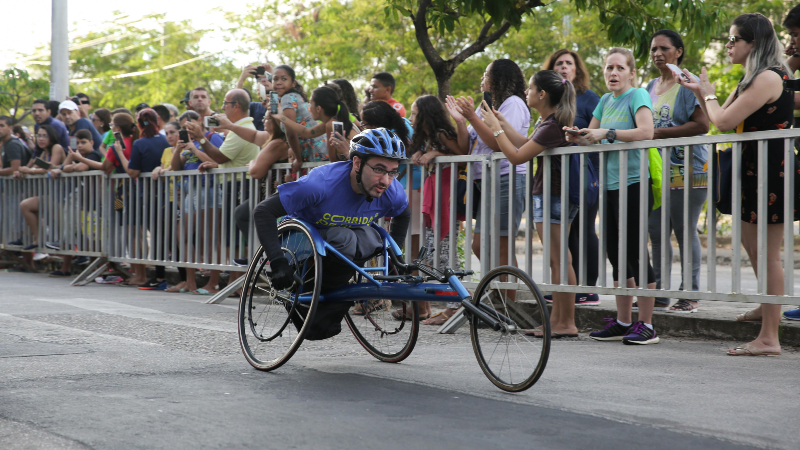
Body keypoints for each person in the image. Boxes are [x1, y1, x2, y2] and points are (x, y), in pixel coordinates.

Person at [680, 14, 796, 355]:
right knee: (750, 242)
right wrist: (702, 94)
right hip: (753, 168)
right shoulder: (751, 79)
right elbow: (722, 123)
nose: (729, 45)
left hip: (772, 170)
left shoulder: (770, 77)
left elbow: (725, 118)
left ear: (754, 43)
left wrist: (710, 94)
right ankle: (766, 305)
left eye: (734, 40)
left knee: (767, 252)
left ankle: (770, 337)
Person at [252, 128, 411, 341]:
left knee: (370, 237)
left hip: (342, 250)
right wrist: (277, 262)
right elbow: (263, 211)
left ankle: (335, 297)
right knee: (343, 238)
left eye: (393, 172)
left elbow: (404, 214)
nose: (386, 180)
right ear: (357, 163)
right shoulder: (321, 184)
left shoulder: (392, 191)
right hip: (302, 247)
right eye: (379, 169)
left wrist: (394, 255)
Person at [565, 47, 659, 345]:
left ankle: (647, 324)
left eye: (619, 68)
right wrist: (576, 136)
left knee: (634, 251)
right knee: (616, 253)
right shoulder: (605, 100)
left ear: (631, 72)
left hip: (634, 182)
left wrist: (607, 133)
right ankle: (622, 321)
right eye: (609, 68)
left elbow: (646, 132)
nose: (613, 73)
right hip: (608, 184)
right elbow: (590, 138)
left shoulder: (638, 96)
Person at [482, 70, 580, 338]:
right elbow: (526, 144)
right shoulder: (548, 123)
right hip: (552, 194)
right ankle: (558, 320)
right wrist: (502, 123)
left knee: (559, 259)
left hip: (553, 195)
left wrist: (496, 128)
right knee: (558, 259)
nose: (526, 92)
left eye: (530, 88)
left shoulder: (551, 126)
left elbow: (515, 157)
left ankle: (566, 322)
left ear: (542, 94)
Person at [644, 29, 711, 313]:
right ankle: (660, 292)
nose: (658, 54)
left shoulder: (688, 82)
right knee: (657, 231)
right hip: (660, 171)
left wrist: (657, 134)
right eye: (653, 49)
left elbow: (703, 124)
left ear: (678, 52)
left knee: (685, 230)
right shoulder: (649, 86)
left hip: (690, 166)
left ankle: (690, 294)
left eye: (664, 48)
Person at [450, 59, 530, 279]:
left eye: (486, 74)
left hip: (506, 178)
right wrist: (460, 121)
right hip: (485, 180)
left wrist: (473, 117)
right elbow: (467, 145)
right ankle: (497, 296)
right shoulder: (485, 105)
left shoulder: (513, 103)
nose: (482, 79)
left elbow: (499, 143)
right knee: (480, 245)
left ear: (499, 78)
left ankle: (508, 305)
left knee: (502, 247)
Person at [403, 95, 468, 325]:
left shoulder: (441, 134)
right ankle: (453, 304)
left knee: (445, 251)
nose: (410, 118)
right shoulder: (429, 138)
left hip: (446, 196)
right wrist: (423, 154)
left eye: (413, 113)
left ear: (425, 115)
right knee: (434, 252)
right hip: (436, 195)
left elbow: (462, 156)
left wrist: (437, 154)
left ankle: (457, 306)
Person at [544, 49, 602, 306]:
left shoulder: (590, 99)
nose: (564, 67)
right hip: (556, 178)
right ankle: (565, 289)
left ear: (577, 69)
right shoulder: (551, 103)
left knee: (583, 228)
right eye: (559, 63)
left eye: (569, 63)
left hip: (585, 174)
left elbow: (596, 136)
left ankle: (588, 288)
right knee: (562, 235)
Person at [112, 109, 171, 289]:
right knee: (163, 236)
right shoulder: (165, 140)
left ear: (139, 124)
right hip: (166, 192)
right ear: (157, 121)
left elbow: (132, 172)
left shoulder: (139, 143)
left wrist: (119, 152)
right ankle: (162, 276)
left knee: (149, 235)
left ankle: (155, 276)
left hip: (146, 194)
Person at [171, 111, 226, 295]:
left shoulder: (211, 138)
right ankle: (190, 281)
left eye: (191, 126)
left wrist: (195, 149)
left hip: (208, 189)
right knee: (183, 235)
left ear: (200, 122)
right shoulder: (189, 143)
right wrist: (178, 150)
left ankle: (214, 283)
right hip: (190, 190)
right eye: (184, 128)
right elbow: (176, 168)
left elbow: (218, 161)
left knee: (210, 237)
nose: (189, 130)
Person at [46, 129, 104, 277]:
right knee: (71, 231)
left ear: (91, 142)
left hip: (93, 203)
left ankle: (93, 269)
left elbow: (80, 167)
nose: (80, 146)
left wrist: (65, 167)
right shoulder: (80, 156)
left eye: (83, 142)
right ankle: (66, 268)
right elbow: (60, 169)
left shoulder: (94, 154)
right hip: (82, 203)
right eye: (77, 143)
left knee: (92, 236)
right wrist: (69, 160)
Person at [272, 85, 359, 161]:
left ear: (318, 109)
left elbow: (333, 160)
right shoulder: (330, 122)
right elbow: (307, 132)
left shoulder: (330, 124)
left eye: (310, 103)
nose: (309, 107)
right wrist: (281, 117)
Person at [151, 120, 189, 293]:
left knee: (180, 239)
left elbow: (176, 167)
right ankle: (161, 277)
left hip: (184, 197)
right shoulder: (166, 150)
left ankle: (185, 278)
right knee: (168, 238)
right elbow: (163, 166)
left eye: (173, 132)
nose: (170, 136)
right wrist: (158, 169)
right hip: (170, 198)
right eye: (167, 133)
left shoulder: (185, 148)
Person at [14, 125, 66, 250]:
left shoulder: (56, 147)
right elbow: (32, 168)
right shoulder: (43, 153)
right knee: (25, 204)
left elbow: (49, 167)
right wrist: (21, 171)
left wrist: (29, 170)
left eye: (44, 136)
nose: (41, 139)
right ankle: (38, 239)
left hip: (62, 195)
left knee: (66, 233)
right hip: (51, 195)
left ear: (52, 137)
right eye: (38, 136)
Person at [236, 63, 273, 132]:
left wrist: (273, 75)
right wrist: (241, 79)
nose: (263, 80)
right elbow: (236, 103)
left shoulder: (282, 102)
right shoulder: (254, 107)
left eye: (267, 77)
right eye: (259, 79)